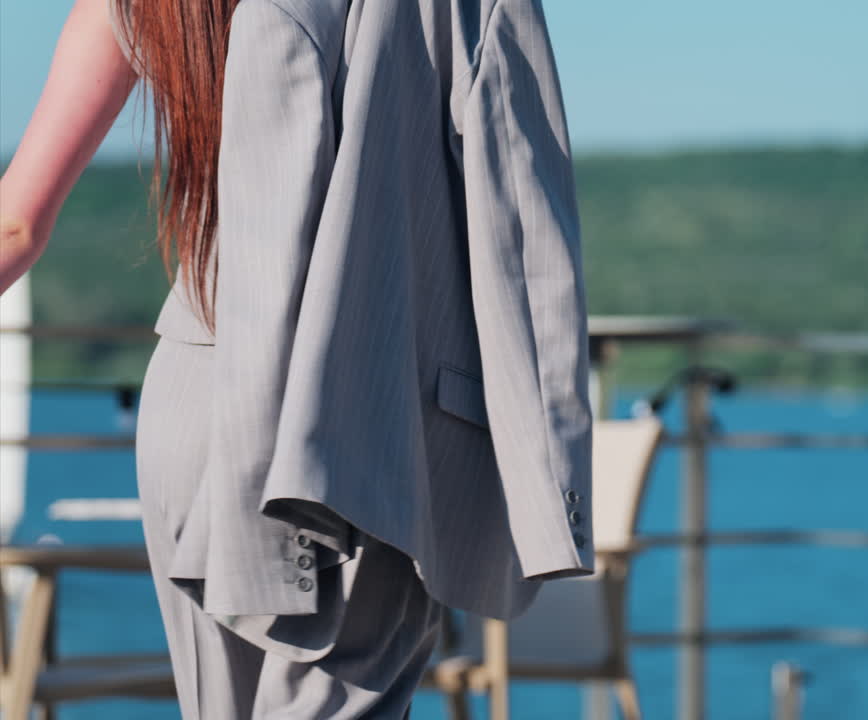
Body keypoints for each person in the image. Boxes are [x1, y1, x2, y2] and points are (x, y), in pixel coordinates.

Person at [0, 0, 595, 716]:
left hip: (196, 395)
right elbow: (524, 223)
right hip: (357, 405)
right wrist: (547, 468)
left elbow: (16, 223)